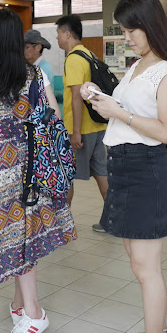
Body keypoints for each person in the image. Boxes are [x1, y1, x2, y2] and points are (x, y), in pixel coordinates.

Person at [0, 8, 76, 333]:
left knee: (14, 238)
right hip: (32, 173)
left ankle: (34, 313)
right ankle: (19, 304)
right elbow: (54, 117)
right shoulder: (35, 75)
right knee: (23, 236)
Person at [80, 0, 167, 333]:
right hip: (122, 167)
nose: (125, 38)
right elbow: (127, 113)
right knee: (135, 260)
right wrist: (99, 97)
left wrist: (119, 111)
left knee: (146, 267)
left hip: (146, 170)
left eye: (130, 31)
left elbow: (166, 131)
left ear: (150, 26)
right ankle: (159, 331)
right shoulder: (138, 67)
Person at [56, 14, 108, 232]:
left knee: (66, 175)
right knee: (102, 174)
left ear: (67, 34)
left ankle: (62, 226)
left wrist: (75, 132)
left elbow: (76, 96)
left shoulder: (74, 59)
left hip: (81, 129)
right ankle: (112, 221)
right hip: (97, 126)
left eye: (58, 33)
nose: (57, 38)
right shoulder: (89, 54)